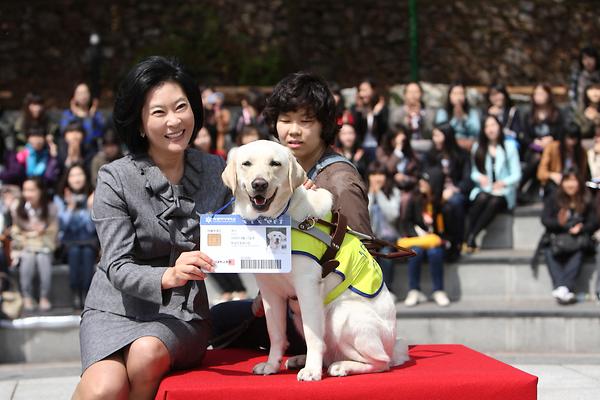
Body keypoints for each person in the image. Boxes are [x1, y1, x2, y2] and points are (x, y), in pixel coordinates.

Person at [72, 56, 232, 400]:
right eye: (159, 112)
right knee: (104, 389)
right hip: (113, 308)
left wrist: (294, 196)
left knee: (146, 354)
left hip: (182, 313)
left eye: (181, 107)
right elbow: (115, 265)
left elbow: (250, 222)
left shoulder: (216, 170)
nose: (174, 121)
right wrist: (167, 276)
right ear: (141, 124)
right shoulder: (115, 178)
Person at [210, 71, 374, 353]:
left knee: (219, 324)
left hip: (328, 312)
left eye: (306, 121)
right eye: (285, 120)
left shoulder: (339, 182)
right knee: (217, 319)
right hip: (284, 298)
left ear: (325, 125)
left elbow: (364, 254)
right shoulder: (278, 167)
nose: (293, 130)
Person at [465, 115, 521, 252]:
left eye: (493, 125)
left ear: (499, 127)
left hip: (504, 191)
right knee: (482, 198)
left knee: (494, 201)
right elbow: (474, 172)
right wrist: (481, 178)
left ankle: (472, 235)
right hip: (485, 188)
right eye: (487, 126)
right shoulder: (478, 147)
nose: (491, 129)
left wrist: (503, 182)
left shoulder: (509, 146)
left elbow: (517, 174)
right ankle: (467, 236)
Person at [541, 167, 596, 305]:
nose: (570, 185)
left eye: (574, 181)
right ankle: (564, 287)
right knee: (548, 251)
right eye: (567, 181)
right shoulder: (554, 197)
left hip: (578, 239)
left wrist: (581, 228)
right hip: (557, 237)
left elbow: (594, 221)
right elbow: (545, 219)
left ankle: (562, 288)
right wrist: (562, 224)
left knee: (578, 251)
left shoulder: (586, 197)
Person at [399, 173, 450, 307]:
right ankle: (414, 289)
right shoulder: (414, 200)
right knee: (416, 252)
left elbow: (442, 226)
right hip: (417, 239)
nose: (423, 186)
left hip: (433, 240)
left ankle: (438, 290)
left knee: (435, 253)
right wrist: (416, 234)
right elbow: (407, 222)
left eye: (426, 183)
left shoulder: (436, 203)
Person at [423, 122, 472, 261]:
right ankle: (442, 242)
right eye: (434, 136)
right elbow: (425, 175)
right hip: (435, 193)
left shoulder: (461, 155)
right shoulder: (430, 155)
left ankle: (456, 243)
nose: (435, 139)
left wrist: (454, 189)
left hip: (455, 192)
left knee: (454, 204)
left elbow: (467, 179)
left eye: (438, 135)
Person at [10, 177, 58, 312]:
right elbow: (16, 231)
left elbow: (53, 232)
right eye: (25, 190)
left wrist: (38, 232)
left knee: (43, 258)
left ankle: (44, 296)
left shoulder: (51, 208)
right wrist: (34, 234)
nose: (28, 194)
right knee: (28, 258)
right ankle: (27, 296)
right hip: (25, 246)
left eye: (32, 190)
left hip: (45, 245)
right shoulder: (17, 208)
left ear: (40, 191)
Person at [54, 163, 97, 310]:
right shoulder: (60, 199)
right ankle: (75, 293)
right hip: (68, 245)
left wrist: (91, 208)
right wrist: (70, 208)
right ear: (67, 179)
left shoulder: (91, 196)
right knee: (75, 251)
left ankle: (86, 294)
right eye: (73, 175)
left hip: (88, 242)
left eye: (79, 174)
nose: (77, 179)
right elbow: (62, 227)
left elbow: (91, 228)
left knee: (85, 252)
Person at [519, 83, 564, 203]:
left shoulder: (557, 113)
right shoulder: (528, 114)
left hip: (552, 150)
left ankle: (529, 191)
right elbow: (523, 135)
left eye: (542, 93)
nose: (539, 96)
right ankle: (520, 186)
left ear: (549, 95)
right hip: (533, 149)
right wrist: (535, 141)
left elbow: (562, 133)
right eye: (536, 94)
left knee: (543, 159)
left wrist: (551, 140)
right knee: (537, 158)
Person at [366, 161, 401, 299]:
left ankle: (387, 290)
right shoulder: (364, 193)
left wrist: (379, 194)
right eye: (373, 174)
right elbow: (364, 216)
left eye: (380, 174)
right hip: (370, 238)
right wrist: (371, 194)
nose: (377, 178)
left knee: (386, 254)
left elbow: (393, 215)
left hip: (389, 238)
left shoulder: (394, 192)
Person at [537, 123, 589, 198]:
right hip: (556, 184)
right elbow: (541, 173)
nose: (572, 142)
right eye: (569, 138)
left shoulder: (581, 152)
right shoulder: (552, 148)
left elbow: (582, 173)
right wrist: (552, 175)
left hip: (574, 183)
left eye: (574, 138)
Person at [388, 81, 436, 153]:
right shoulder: (397, 113)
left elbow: (430, 131)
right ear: (405, 94)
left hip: (425, 146)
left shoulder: (429, 113)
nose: (413, 95)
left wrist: (421, 117)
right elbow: (393, 130)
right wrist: (406, 121)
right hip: (404, 147)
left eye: (416, 92)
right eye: (410, 92)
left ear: (421, 94)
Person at [351, 78, 389, 164]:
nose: (362, 94)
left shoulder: (382, 108)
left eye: (365, 90)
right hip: (361, 147)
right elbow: (356, 129)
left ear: (374, 90)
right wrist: (359, 111)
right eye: (360, 90)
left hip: (378, 147)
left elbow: (383, 129)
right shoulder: (355, 109)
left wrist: (376, 114)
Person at [59, 82, 105, 152]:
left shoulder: (96, 115)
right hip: (71, 151)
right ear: (74, 96)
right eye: (80, 93)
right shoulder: (68, 114)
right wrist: (76, 115)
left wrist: (90, 118)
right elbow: (64, 132)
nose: (83, 96)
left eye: (85, 92)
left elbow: (99, 133)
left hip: (92, 151)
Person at [435, 82, 481, 151]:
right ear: (449, 96)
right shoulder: (443, 112)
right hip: (450, 144)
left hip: (469, 143)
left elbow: (477, 130)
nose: (458, 97)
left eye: (461, 94)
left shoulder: (472, 112)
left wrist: (463, 118)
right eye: (455, 94)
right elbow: (441, 130)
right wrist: (455, 119)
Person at [485, 83, 522, 147]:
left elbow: (517, 133)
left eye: (499, 93)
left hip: (509, 143)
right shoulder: (485, 113)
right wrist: (491, 116)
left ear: (504, 95)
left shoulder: (512, 111)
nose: (496, 97)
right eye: (493, 94)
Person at [568, 46, 600, 112]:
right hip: (581, 112)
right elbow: (572, 95)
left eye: (591, 58)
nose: (588, 62)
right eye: (585, 59)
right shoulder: (577, 76)